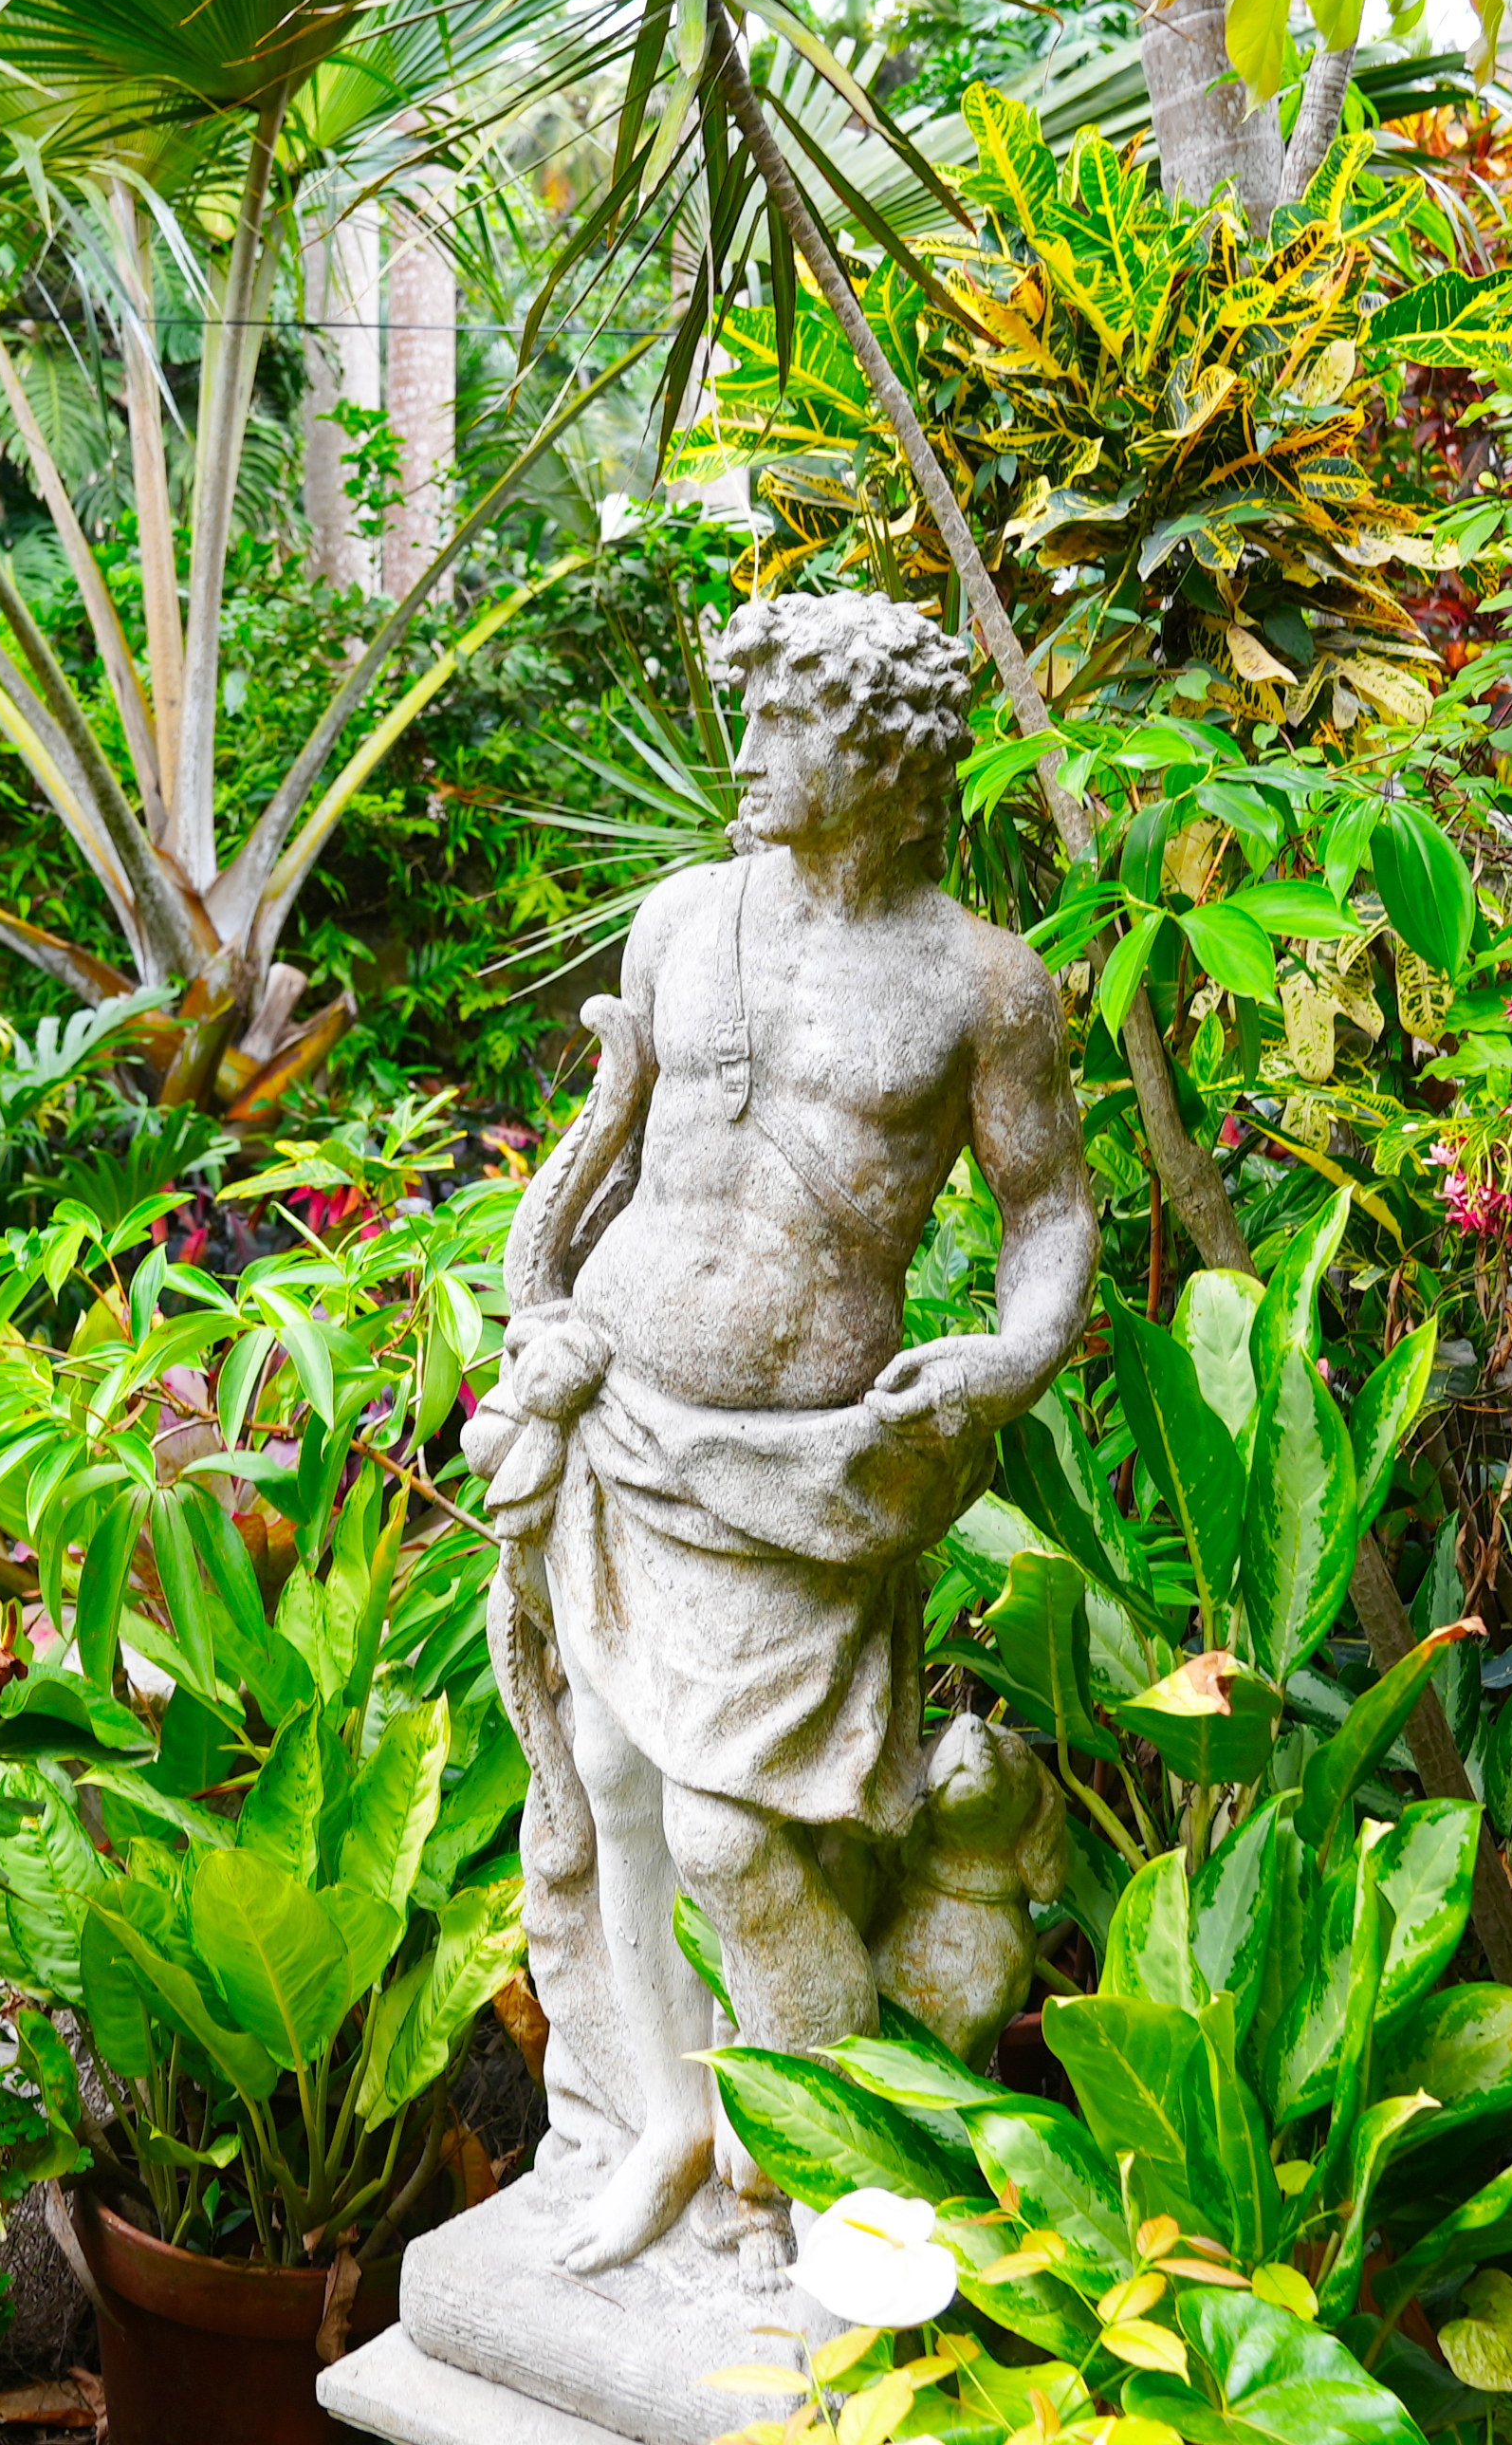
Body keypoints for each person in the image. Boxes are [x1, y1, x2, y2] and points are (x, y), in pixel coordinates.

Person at [465, 590, 1096, 2277]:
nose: (742, 757)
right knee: (615, 1781)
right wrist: (540, 1318)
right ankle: (669, 2123)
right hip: (624, 1425)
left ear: (881, 761)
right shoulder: (681, 921)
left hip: (807, 1475)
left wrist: (1004, 1363)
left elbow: (1048, 1215)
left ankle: (832, 2171)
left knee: (738, 1834)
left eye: (781, 728)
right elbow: (605, 1149)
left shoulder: (982, 983)